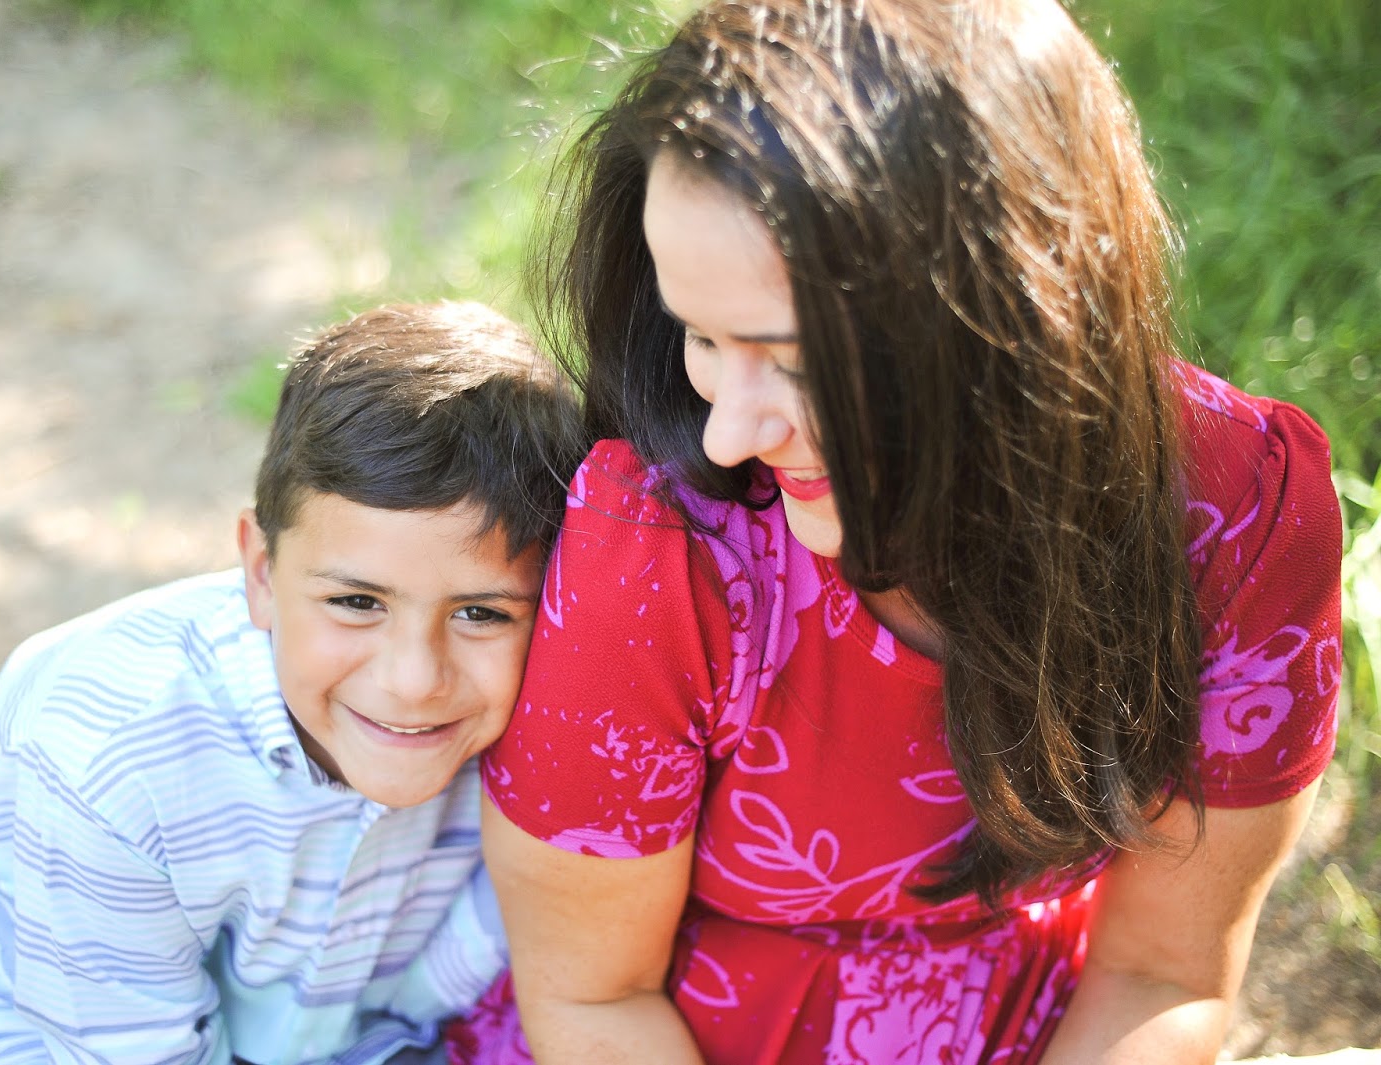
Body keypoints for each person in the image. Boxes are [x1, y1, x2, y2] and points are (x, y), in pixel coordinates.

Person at [451, 1, 1346, 1063]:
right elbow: (591, 997)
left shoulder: (1242, 512)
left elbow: (1164, 974)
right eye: (702, 337)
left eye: (796, 362)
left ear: (1015, 312)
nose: (729, 432)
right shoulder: (652, 544)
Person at [0, 302, 586, 1065]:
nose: (414, 679)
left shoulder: (559, 729)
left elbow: (485, 957)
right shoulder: (111, 758)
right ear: (261, 574)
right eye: (357, 601)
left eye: (481, 613)